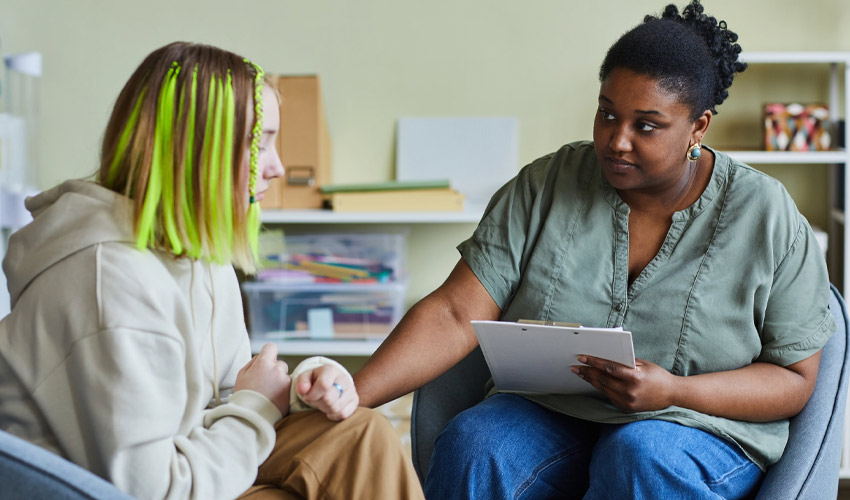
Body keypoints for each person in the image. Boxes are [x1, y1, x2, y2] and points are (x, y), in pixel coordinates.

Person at [353, 2, 836, 499]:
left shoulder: (766, 213)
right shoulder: (546, 184)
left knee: (639, 455)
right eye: (607, 113)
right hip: (553, 412)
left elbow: (795, 378)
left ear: (698, 127)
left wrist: (673, 391)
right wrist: (350, 397)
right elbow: (455, 312)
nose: (616, 140)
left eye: (646, 125)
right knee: (478, 442)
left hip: (697, 426)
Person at [0, 42, 424, 500]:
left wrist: (304, 389)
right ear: (197, 150)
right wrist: (258, 404)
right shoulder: (108, 281)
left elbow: (228, 391)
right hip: (135, 489)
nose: (278, 167)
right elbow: (156, 490)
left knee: (364, 434)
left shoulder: (198, 255)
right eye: (259, 143)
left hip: (187, 460)